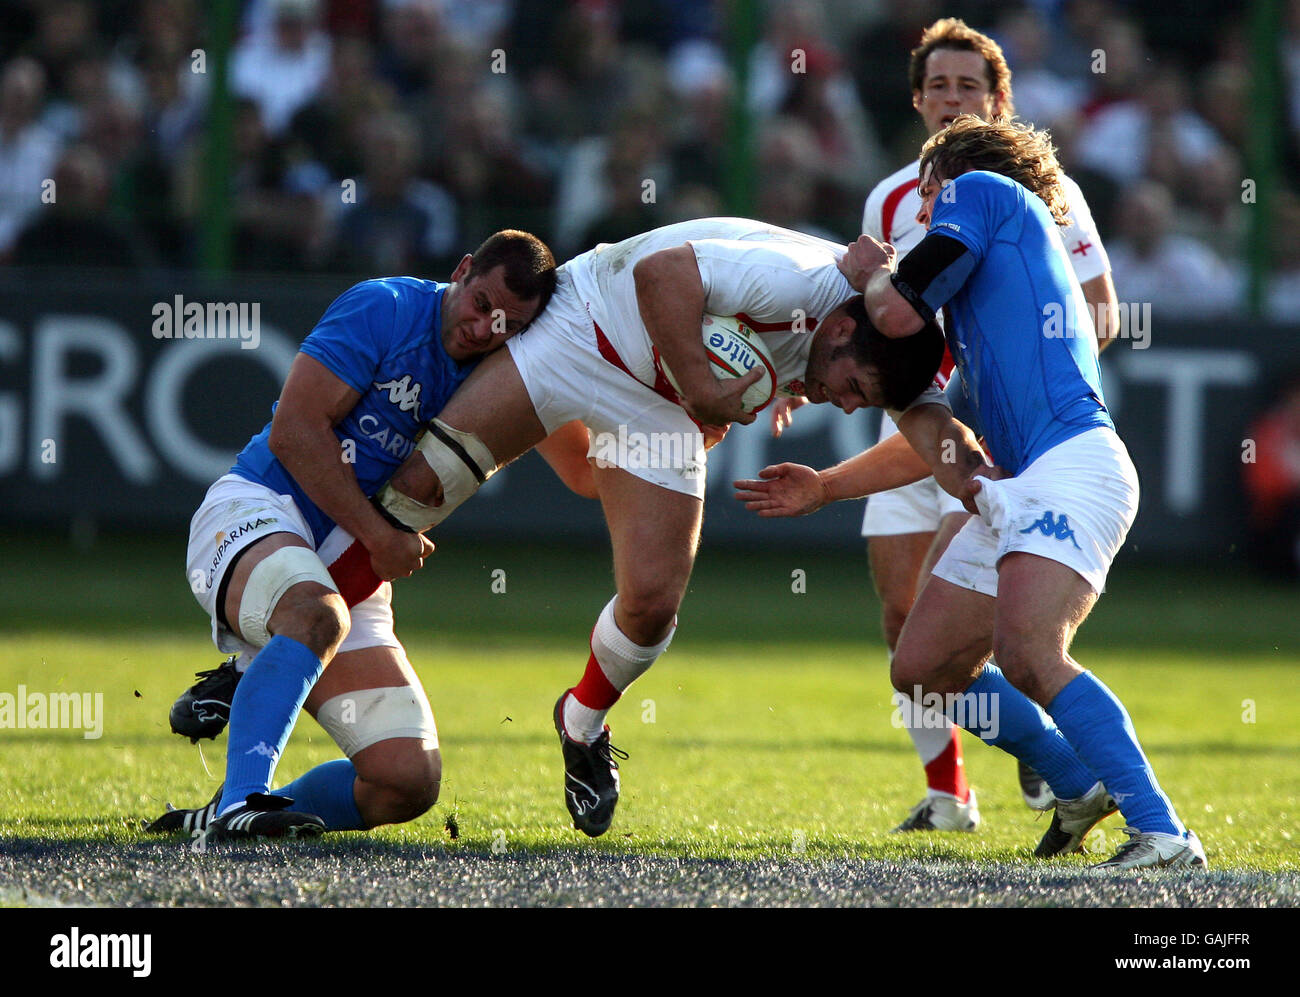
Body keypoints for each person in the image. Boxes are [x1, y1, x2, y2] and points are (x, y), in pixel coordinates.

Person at [325, 217, 949, 839]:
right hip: (584, 324)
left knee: (651, 603)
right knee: (421, 487)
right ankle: (289, 636)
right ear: (840, 329)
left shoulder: (874, 326)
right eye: (852, 389)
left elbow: (907, 421)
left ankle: (581, 720)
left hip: (659, 404)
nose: (845, 405)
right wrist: (704, 391)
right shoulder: (802, 285)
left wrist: (791, 418)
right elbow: (662, 273)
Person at [737, 116, 1205, 871]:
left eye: (924, 200)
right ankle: (1075, 779)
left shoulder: (979, 189)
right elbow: (940, 445)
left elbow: (889, 309)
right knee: (920, 667)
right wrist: (826, 486)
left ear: (944, 178)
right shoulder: (985, 308)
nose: (922, 216)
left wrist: (872, 270)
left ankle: (1165, 833)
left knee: (1029, 651)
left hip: (1073, 466)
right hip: (1026, 475)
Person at [772, 17, 1121, 832]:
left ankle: (1057, 763)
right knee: (906, 621)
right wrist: (806, 374)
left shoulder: (1044, 191)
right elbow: (867, 314)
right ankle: (950, 794)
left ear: (1000, 100)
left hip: (1005, 429)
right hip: (917, 423)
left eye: (970, 86)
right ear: (918, 97)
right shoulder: (895, 195)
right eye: (939, 85)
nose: (952, 98)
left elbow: (1098, 312)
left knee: (984, 622)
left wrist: (1012, 376)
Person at [146, 230, 561, 840]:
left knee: (406, 781)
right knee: (315, 613)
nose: (486, 329)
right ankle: (240, 805)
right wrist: (378, 535)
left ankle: (238, 808)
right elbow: (294, 430)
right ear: (463, 270)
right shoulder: (386, 307)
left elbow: (574, 441)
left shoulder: (499, 373)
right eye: (481, 305)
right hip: (257, 511)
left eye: (508, 323)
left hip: (354, 568)